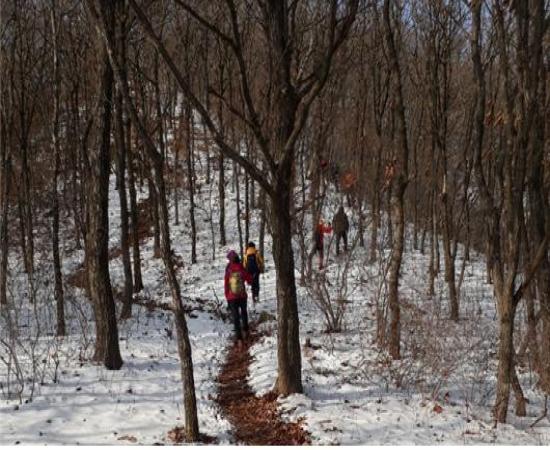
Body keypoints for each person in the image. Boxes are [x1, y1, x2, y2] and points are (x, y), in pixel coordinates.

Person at [224, 250, 252, 347]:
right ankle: (246, 331)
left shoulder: (228, 269)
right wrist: (250, 281)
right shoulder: (241, 267)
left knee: (236, 317)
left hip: (232, 297)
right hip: (242, 295)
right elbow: (248, 279)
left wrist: (227, 295)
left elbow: (226, 284)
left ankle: (239, 339)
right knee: (244, 312)